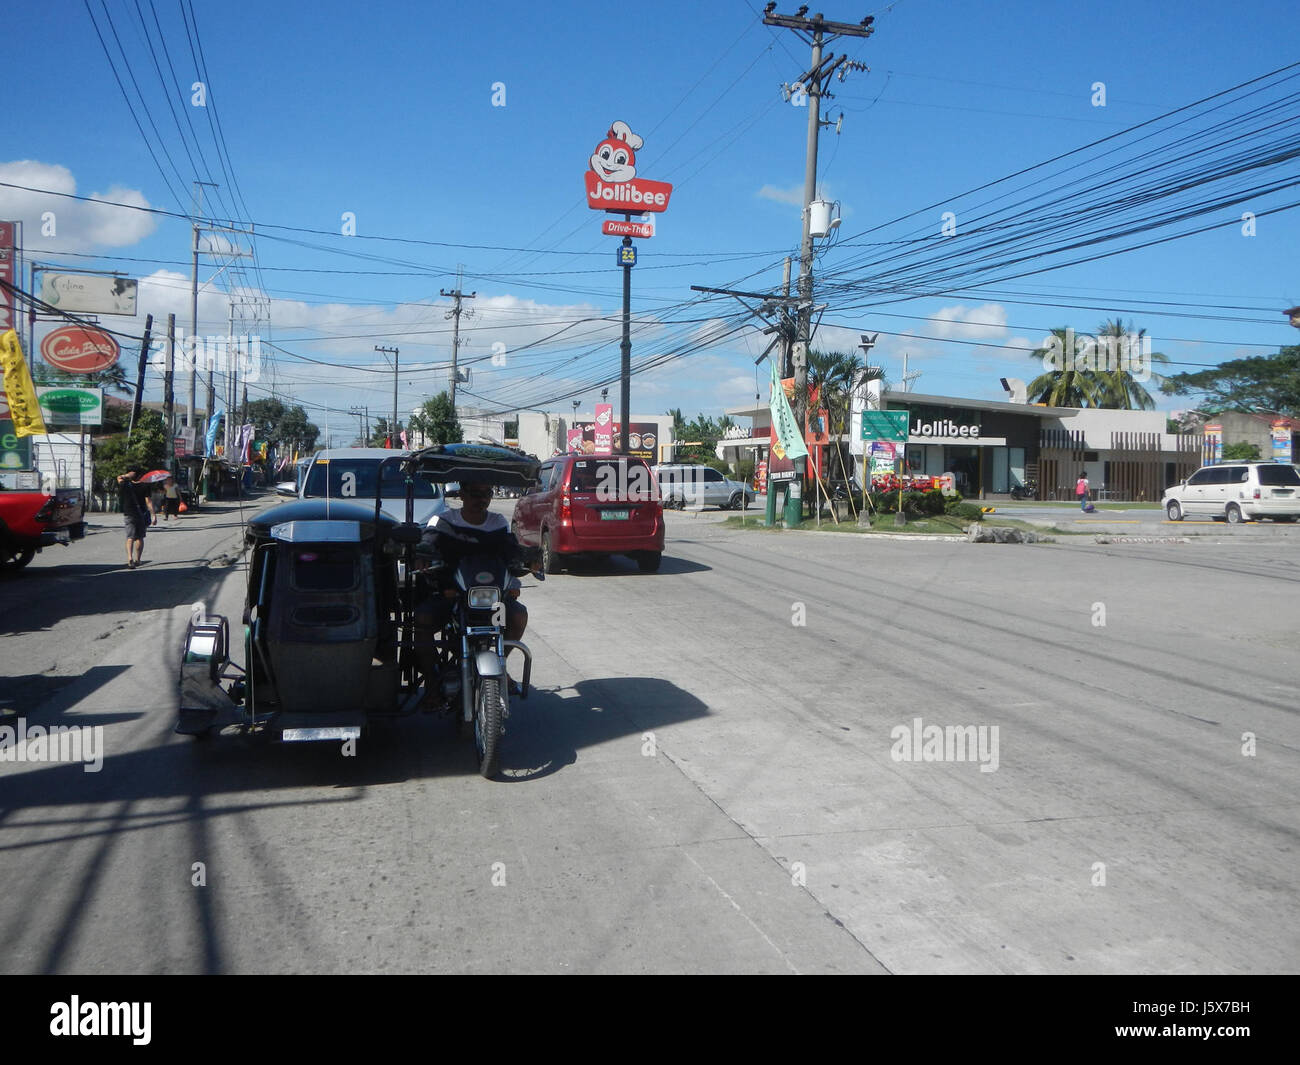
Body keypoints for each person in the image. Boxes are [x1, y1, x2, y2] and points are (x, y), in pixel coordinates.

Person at [414, 482, 537, 695]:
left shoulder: (497, 522)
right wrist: (423, 553)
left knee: (518, 616)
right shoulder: (443, 520)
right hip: (451, 595)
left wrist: (530, 558)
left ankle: (502, 664)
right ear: (461, 494)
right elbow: (428, 541)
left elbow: (511, 552)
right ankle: (433, 682)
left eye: (486, 493)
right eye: (474, 493)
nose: (481, 499)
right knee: (421, 619)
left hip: (491, 598)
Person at [116, 467, 154, 568]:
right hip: (141, 513)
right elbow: (148, 501)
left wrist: (126, 475)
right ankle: (138, 559)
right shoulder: (145, 486)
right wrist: (153, 514)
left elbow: (119, 478)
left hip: (128, 513)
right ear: (140, 475)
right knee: (139, 537)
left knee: (130, 537)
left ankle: (129, 558)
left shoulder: (125, 484)